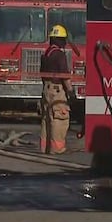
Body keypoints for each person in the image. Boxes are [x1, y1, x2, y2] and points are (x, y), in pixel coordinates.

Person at [39, 24, 75, 154]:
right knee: (60, 119)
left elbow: (42, 74)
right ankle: (57, 148)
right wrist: (70, 92)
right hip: (58, 91)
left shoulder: (46, 54)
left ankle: (45, 148)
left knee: (47, 119)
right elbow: (64, 75)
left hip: (46, 90)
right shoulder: (59, 55)